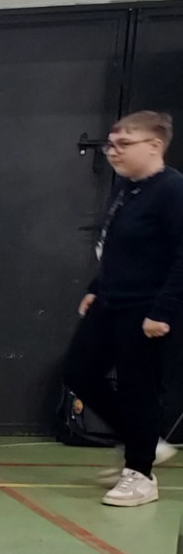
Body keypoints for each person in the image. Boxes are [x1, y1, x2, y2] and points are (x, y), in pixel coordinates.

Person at [64, 111, 183, 506]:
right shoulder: (127, 188)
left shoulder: (172, 191)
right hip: (113, 299)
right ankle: (143, 441)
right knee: (79, 370)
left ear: (155, 146)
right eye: (111, 145)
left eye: (124, 144)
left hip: (148, 307)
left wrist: (163, 311)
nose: (114, 152)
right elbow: (117, 246)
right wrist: (96, 288)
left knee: (138, 388)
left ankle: (140, 474)